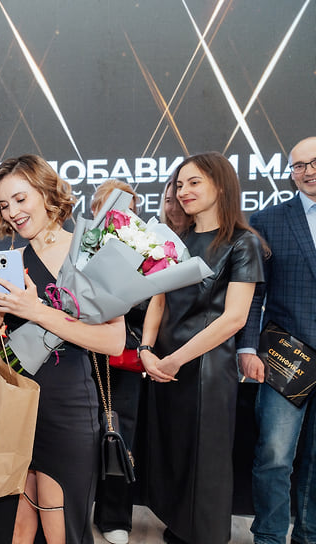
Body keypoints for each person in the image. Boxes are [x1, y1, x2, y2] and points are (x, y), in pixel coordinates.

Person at [0, 155, 126, 544]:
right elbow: (15, 331)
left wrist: (37, 311)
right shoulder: (15, 261)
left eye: (20, 199)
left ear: (47, 193)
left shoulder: (89, 253)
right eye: (4, 205)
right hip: (17, 408)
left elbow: (114, 341)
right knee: (16, 529)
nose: (12, 212)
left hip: (66, 411)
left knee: (60, 531)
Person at [139, 152, 267, 544]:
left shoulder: (243, 243)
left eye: (194, 182)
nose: (183, 191)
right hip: (165, 365)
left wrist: (175, 359)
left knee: (205, 463)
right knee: (173, 455)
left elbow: (234, 318)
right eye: (179, 184)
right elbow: (158, 299)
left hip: (206, 371)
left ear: (221, 185)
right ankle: (180, 528)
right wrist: (146, 349)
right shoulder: (175, 240)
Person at [237, 136, 316, 544]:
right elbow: (253, 294)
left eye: (314, 162)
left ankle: (308, 535)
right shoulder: (268, 220)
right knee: (274, 456)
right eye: (299, 165)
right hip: (287, 358)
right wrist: (248, 348)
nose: (308, 171)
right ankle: (268, 536)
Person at [89, 180, 148, 544]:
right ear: (94, 209)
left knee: (119, 435)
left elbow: (152, 307)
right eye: (106, 204)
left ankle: (115, 517)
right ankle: (73, 509)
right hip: (79, 355)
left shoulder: (147, 251)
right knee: (78, 438)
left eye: (126, 207)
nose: (116, 212)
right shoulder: (77, 246)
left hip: (122, 359)